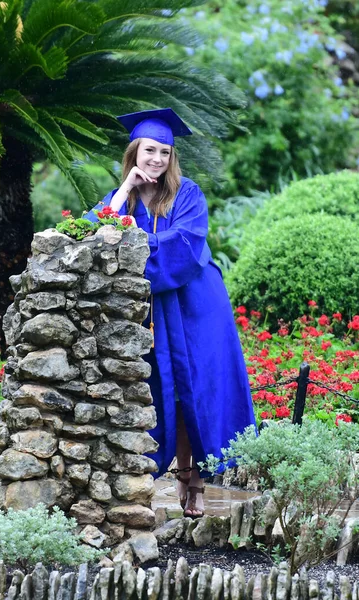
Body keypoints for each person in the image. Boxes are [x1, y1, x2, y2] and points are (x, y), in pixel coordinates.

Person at [85, 108, 256, 518]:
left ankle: (195, 481)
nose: (157, 159)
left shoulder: (188, 194)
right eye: (149, 150)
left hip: (197, 306)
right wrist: (125, 189)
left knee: (196, 388)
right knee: (168, 393)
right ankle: (178, 476)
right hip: (153, 312)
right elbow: (95, 231)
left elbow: (186, 246)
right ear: (134, 153)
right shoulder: (123, 195)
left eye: (164, 151)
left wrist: (131, 244)